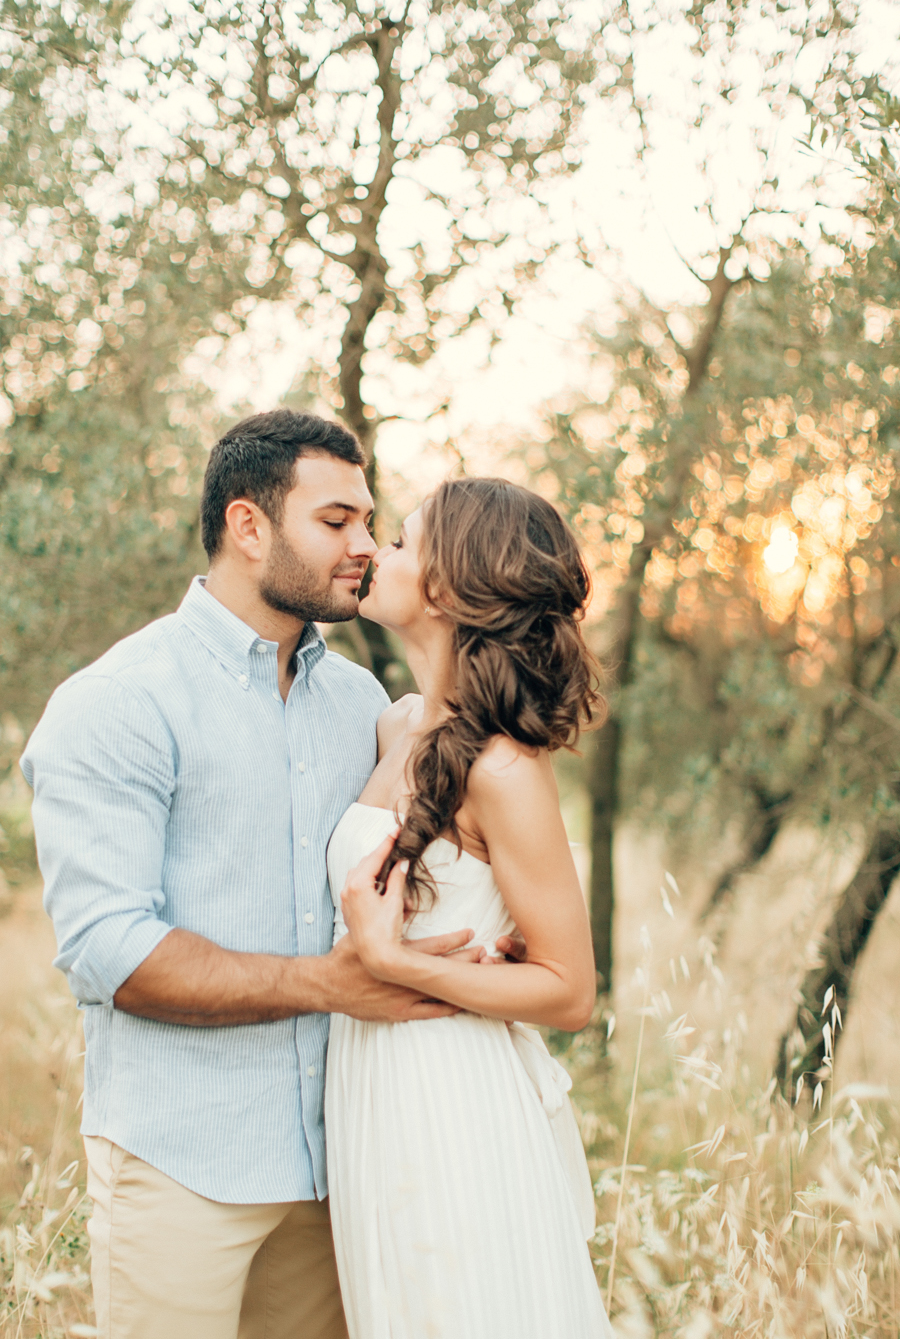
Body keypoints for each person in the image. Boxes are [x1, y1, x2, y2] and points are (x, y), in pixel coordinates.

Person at [20, 410, 502, 1339]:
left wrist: (486, 939)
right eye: (335, 522)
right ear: (249, 526)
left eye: (370, 520)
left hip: (342, 1170)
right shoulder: (117, 704)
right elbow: (108, 952)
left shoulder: (361, 702)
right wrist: (328, 987)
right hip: (180, 1168)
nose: (365, 545)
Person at [325, 476, 615, 1338]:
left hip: (453, 1101)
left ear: (449, 589)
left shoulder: (504, 770)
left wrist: (394, 963)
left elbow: (571, 992)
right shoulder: (397, 725)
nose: (377, 551)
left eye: (403, 541)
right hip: (371, 1089)